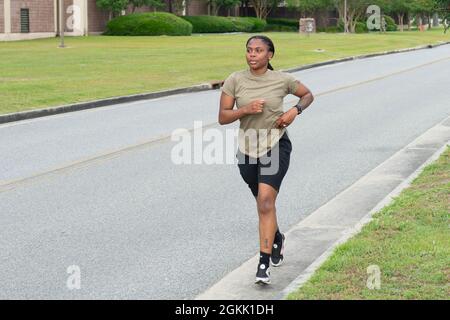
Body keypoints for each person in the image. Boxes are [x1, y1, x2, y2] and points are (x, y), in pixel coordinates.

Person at [218, 35, 314, 284]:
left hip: (275, 145)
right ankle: (277, 237)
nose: (252, 54)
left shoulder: (282, 79)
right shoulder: (235, 80)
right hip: (247, 148)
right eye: (249, 50)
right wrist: (244, 110)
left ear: (269, 55)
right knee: (263, 203)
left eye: (258, 50)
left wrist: (294, 111)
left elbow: (307, 95)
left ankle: (263, 264)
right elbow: (223, 117)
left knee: (265, 202)